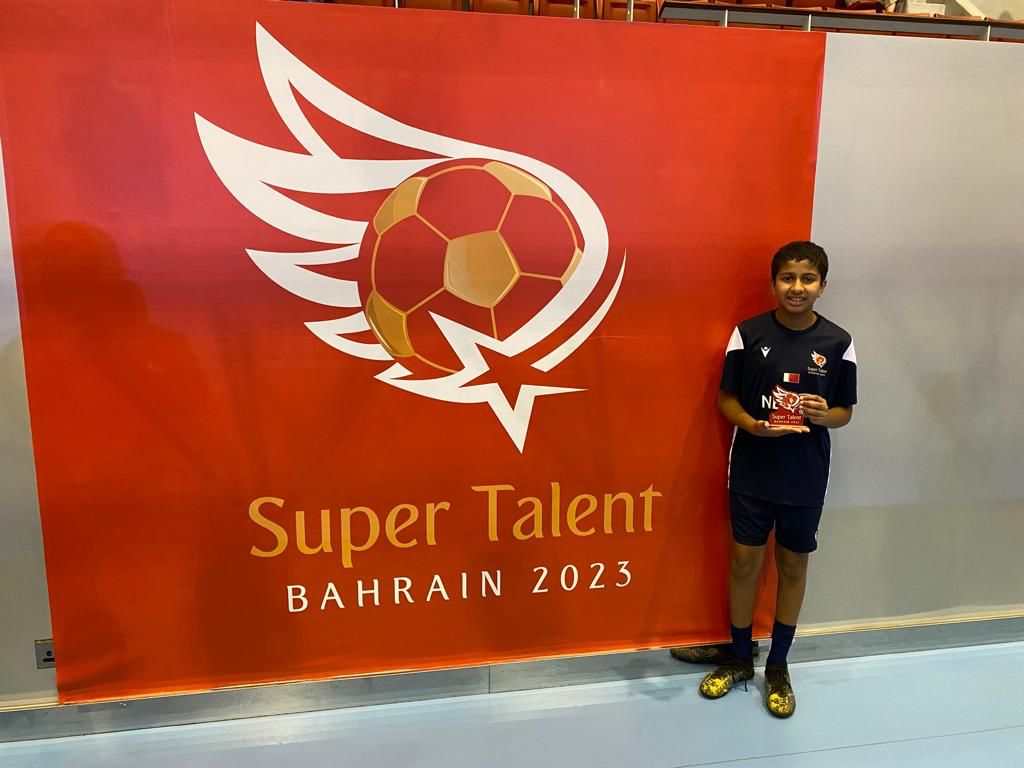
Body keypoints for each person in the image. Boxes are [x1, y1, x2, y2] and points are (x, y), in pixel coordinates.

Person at [677, 241, 857, 718]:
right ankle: (740, 657)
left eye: (808, 279)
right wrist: (753, 426)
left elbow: (845, 411)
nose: (797, 287)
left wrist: (824, 414)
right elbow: (726, 399)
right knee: (744, 564)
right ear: (773, 283)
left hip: (805, 476)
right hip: (752, 472)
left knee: (793, 567)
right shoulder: (748, 333)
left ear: (822, 286)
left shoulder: (838, 342)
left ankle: (778, 665)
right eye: (788, 278)